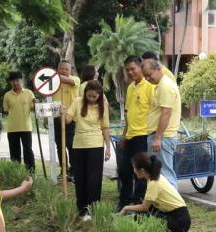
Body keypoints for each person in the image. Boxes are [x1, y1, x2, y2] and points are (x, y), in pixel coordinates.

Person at [119, 152, 191, 232]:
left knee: (140, 218)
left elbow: (144, 207)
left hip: (179, 222)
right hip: (178, 217)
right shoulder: (155, 177)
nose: (134, 171)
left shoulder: (154, 183)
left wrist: (126, 208)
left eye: (134, 168)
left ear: (142, 170)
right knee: (141, 215)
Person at [71, 80, 112, 218]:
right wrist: (64, 113)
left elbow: (105, 127)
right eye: (89, 96)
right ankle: (81, 208)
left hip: (95, 145)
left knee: (94, 178)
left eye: (95, 97)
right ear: (85, 93)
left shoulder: (103, 106)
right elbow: (67, 120)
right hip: (78, 145)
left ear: (99, 96)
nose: (91, 99)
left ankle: (92, 208)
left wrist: (108, 148)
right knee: (80, 176)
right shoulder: (77, 102)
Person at [118, 55, 154, 207]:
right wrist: (124, 135)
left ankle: (137, 202)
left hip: (143, 136)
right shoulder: (130, 88)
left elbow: (156, 112)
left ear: (141, 68)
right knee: (124, 170)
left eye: (133, 69)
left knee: (140, 172)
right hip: (130, 136)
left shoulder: (150, 87)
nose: (130, 72)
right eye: (127, 70)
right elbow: (128, 113)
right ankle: (124, 201)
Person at [142, 57, 181, 185]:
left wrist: (158, 137)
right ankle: (162, 204)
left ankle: (175, 205)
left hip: (162, 138)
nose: (147, 79)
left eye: (149, 75)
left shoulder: (166, 86)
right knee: (158, 174)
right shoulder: (161, 85)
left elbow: (166, 112)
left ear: (159, 69)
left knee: (165, 175)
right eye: (145, 76)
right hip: (159, 137)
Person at [1, 72, 36, 171]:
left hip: (26, 127)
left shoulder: (29, 93)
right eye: (13, 81)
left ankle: (30, 172)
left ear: (21, 80)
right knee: (14, 152)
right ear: (10, 83)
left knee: (28, 150)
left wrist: (36, 104)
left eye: (17, 80)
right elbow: (6, 109)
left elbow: (34, 108)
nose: (15, 83)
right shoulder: (7, 95)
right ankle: (16, 172)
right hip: (12, 128)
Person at [53, 59, 80, 182]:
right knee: (59, 146)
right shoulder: (53, 83)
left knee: (71, 145)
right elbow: (50, 100)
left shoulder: (75, 80)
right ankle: (63, 171)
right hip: (56, 118)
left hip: (71, 120)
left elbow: (67, 80)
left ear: (71, 70)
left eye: (66, 69)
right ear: (58, 69)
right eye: (61, 68)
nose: (63, 71)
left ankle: (74, 171)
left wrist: (53, 75)